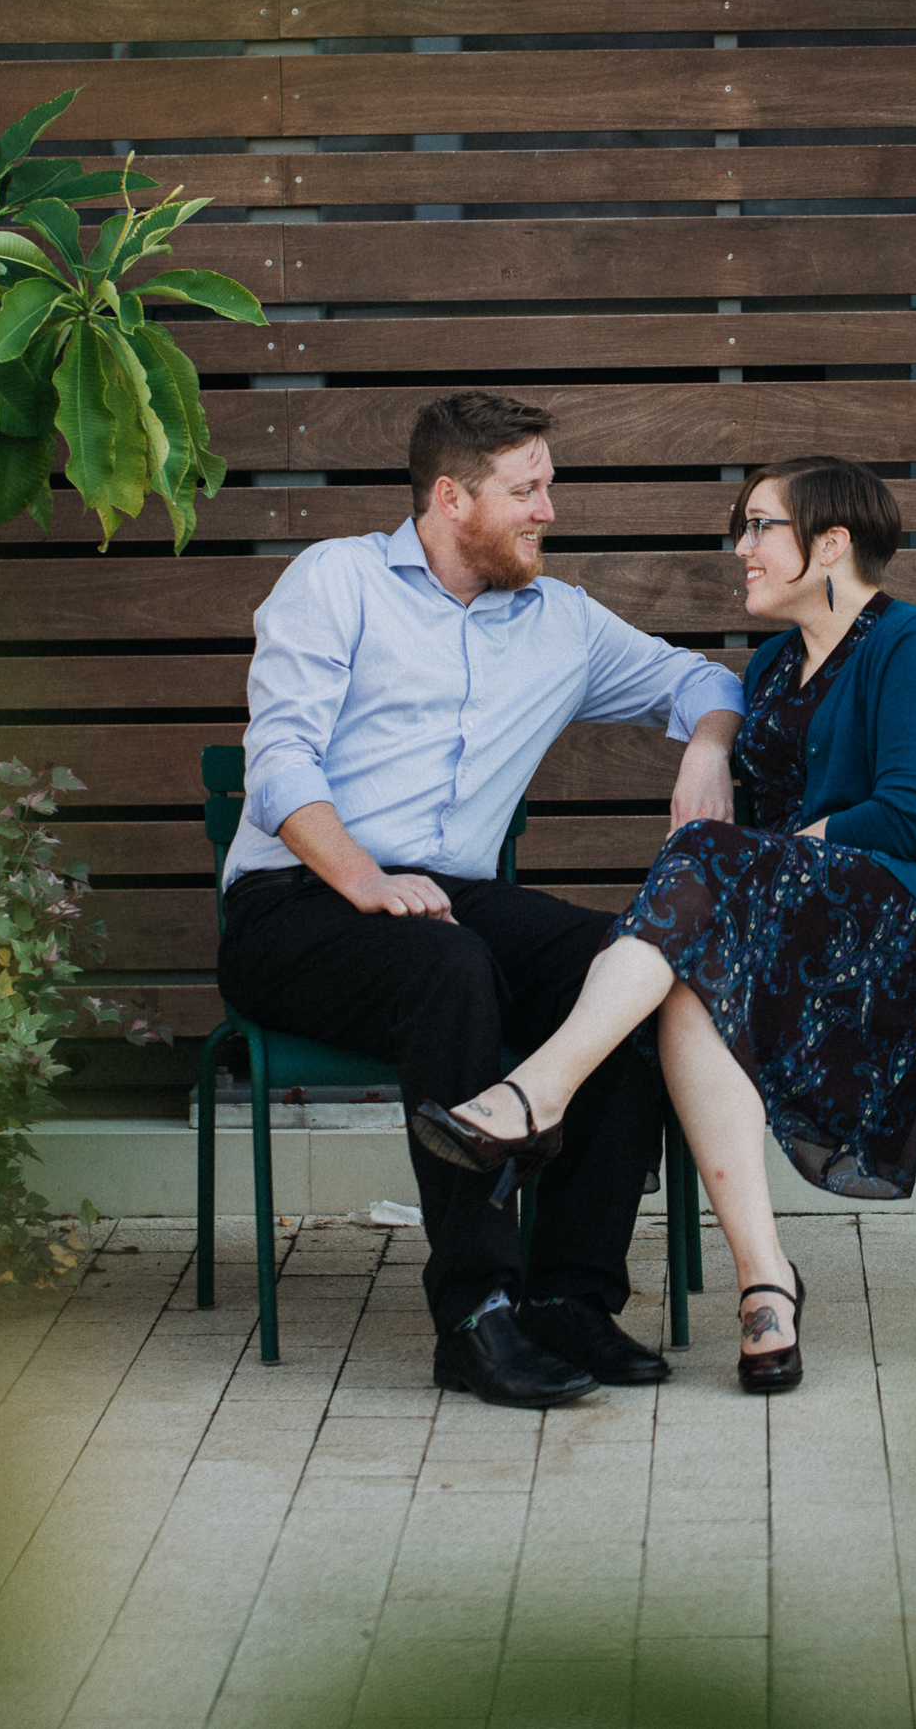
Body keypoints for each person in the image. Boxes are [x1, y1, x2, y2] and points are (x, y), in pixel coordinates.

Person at [417, 457, 916, 1395]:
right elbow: (735, 780)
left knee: (705, 864)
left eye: (761, 527)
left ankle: (537, 1094)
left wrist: (755, 858)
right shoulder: (773, 668)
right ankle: (765, 1282)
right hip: (806, 921)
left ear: (832, 545)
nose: (742, 549)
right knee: (689, 977)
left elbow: (909, 819)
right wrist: (714, 744)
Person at [217, 390, 744, 1409]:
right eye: (526, 490)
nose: (548, 510)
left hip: (445, 900)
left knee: (626, 963)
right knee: (449, 964)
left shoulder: (561, 623)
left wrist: (709, 749)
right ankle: (473, 1316)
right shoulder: (338, 581)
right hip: (297, 905)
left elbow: (701, 681)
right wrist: (365, 878)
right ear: (452, 498)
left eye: (547, 485)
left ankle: (569, 1302)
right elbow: (279, 758)